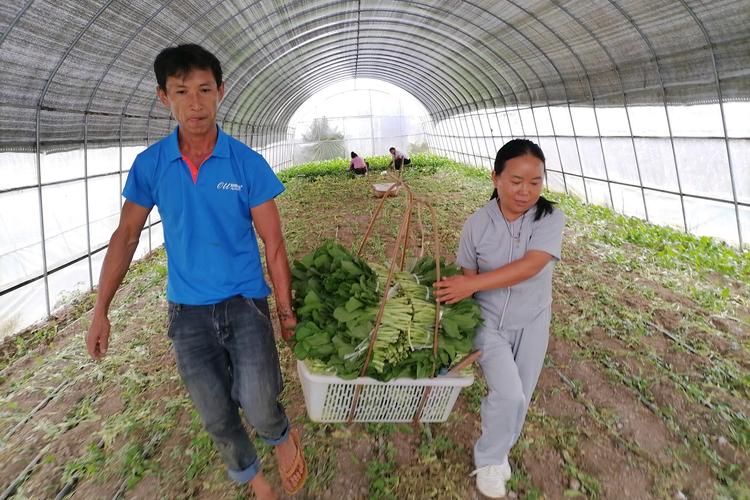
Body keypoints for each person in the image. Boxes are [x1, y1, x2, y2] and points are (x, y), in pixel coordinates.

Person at [85, 44, 306, 500]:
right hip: (187, 313)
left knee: (261, 401)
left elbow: (275, 243)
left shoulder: (246, 162)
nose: (195, 103)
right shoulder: (152, 165)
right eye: (181, 91)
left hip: (245, 302)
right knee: (215, 412)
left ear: (220, 92)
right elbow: (126, 236)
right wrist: (100, 309)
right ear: (163, 97)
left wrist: (285, 311)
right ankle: (254, 478)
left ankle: (279, 435)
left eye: (205, 90)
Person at [434, 139, 565, 499]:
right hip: (487, 321)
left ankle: (500, 450)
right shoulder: (476, 224)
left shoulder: (550, 218)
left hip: (532, 318)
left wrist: (471, 283)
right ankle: (490, 461)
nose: (525, 191)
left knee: (521, 395)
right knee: (507, 393)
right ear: (496, 178)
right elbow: (466, 279)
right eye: (516, 181)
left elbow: (532, 265)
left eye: (535, 182)